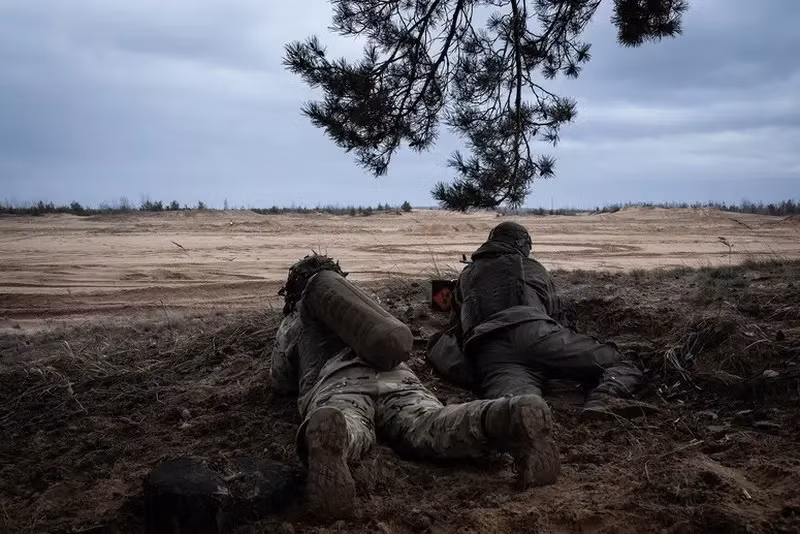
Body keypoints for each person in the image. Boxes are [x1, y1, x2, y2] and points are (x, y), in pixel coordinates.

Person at [270, 254, 560, 519]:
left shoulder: (297, 320)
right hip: (398, 377)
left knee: (352, 425)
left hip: (338, 383)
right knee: (432, 425)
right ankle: (503, 415)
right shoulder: (365, 309)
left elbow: (281, 380)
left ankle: (338, 436)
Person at [428, 221, 651, 418]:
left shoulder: (465, 277)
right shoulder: (532, 267)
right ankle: (604, 399)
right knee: (622, 362)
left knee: (514, 406)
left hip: (490, 351)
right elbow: (554, 315)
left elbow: (455, 326)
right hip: (537, 334)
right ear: (522, 245)